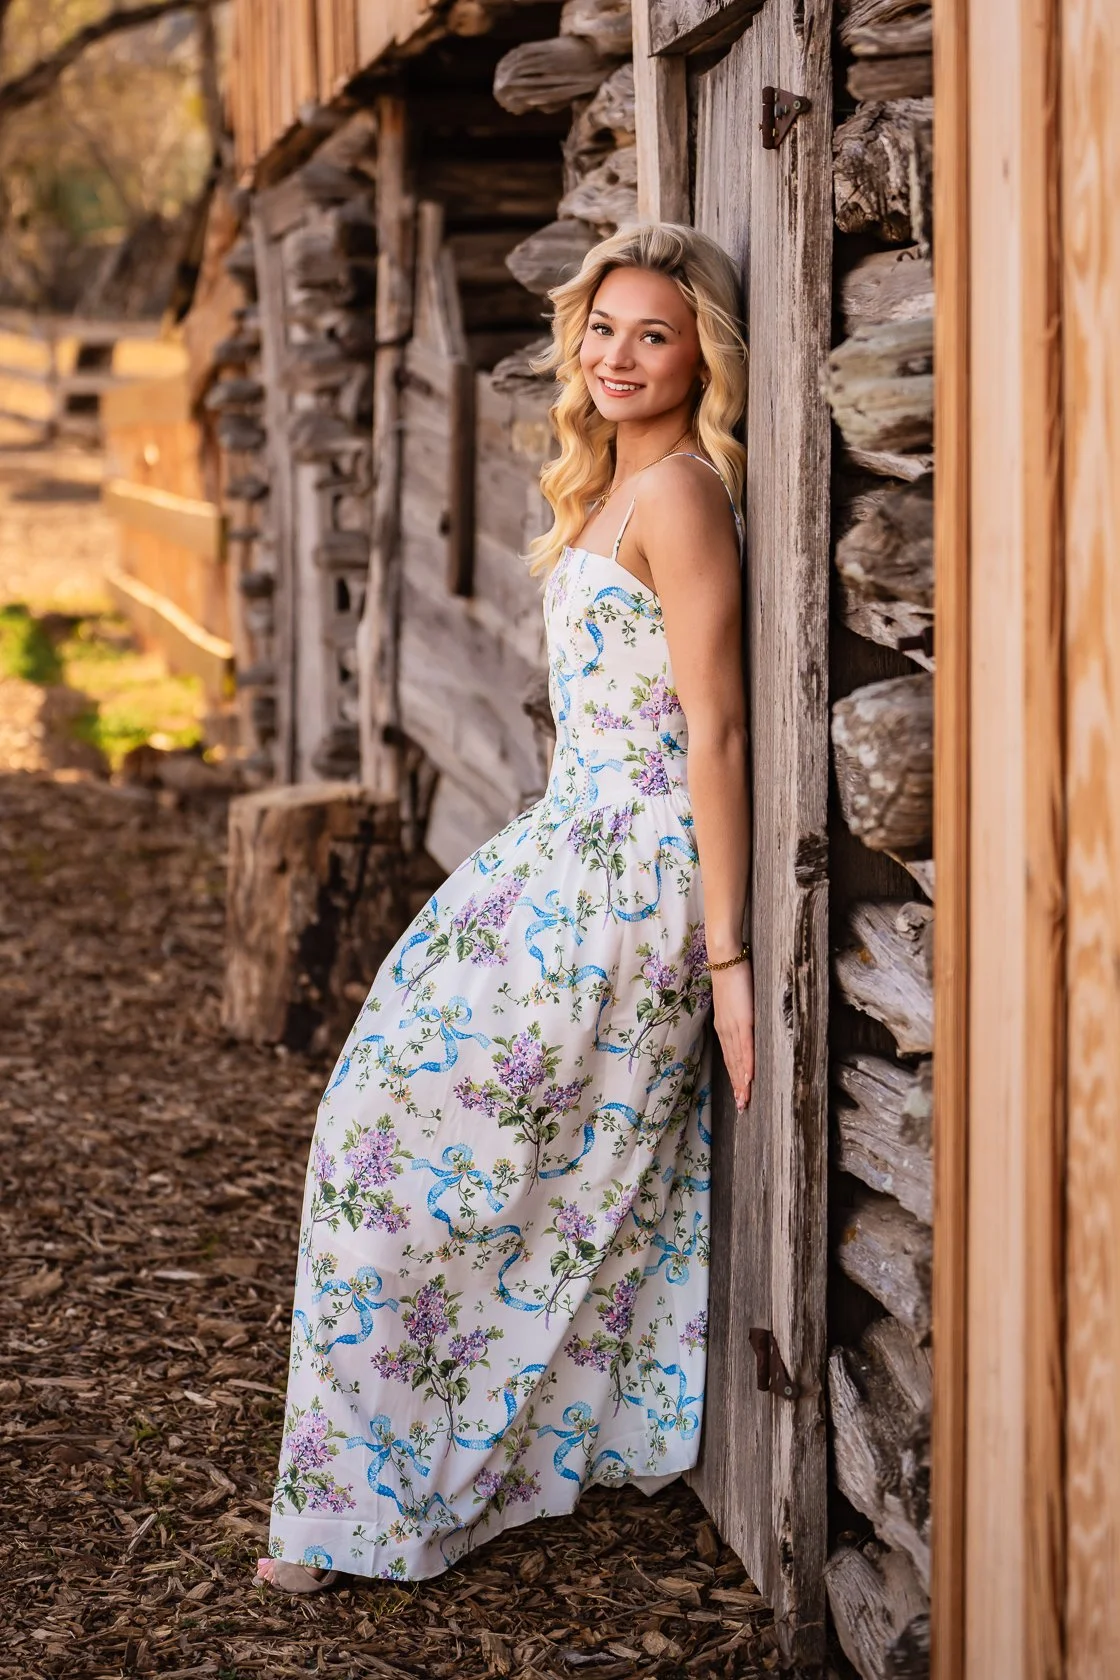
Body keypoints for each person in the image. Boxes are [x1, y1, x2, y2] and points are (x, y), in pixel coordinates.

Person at [257, 222, 754, 1594]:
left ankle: (381, 1495)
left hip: (631, 887)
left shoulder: (687, 499)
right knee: (373, 1125)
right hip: (556, 861)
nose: (618, 354)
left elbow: (714, 736)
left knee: (446, 1163)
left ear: (699, 350)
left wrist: (726, 956)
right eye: (603, 328)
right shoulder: (604, 492)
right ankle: (362, 1482)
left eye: (652, 333)